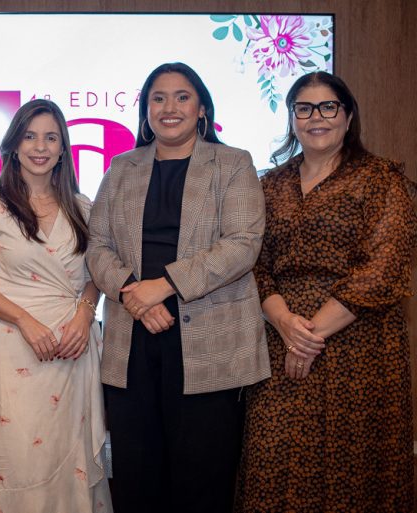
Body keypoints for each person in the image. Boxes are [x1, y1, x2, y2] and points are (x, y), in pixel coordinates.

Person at [86, 62, 270, 513]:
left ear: (202, 107)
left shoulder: (233, 163)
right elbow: (97, 246)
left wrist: (164, 286)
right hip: (132, 340)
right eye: (158, 98)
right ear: (146, 110)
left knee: (203, 477)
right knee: (137, 472)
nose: (170, 108)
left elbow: (243, 245)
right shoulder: (122, 167)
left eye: (182, 97)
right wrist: (136, 293)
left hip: (210, 340)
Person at [236, 71, 416, 513]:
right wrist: (284, 324)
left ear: (348, 115)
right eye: (304, 108)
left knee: (353, 469)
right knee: (273, 462)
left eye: (328, 107)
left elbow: (383, 269)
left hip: (360, 346)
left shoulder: (383, 179)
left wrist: (310, 336)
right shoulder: (269, 184)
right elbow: (253, 263)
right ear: (292, 118)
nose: (316, 117)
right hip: (280, 342)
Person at [0, 99, 112, 513]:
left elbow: (97, 274)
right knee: (15, 460)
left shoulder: (84, 208)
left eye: (50, 137)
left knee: (70, 461)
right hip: (13, 349)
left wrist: (85, 314)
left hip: (74, 349)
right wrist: (25, 321)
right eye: (30, 136)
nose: (40, 146)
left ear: (64, 148)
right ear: (13, 144)